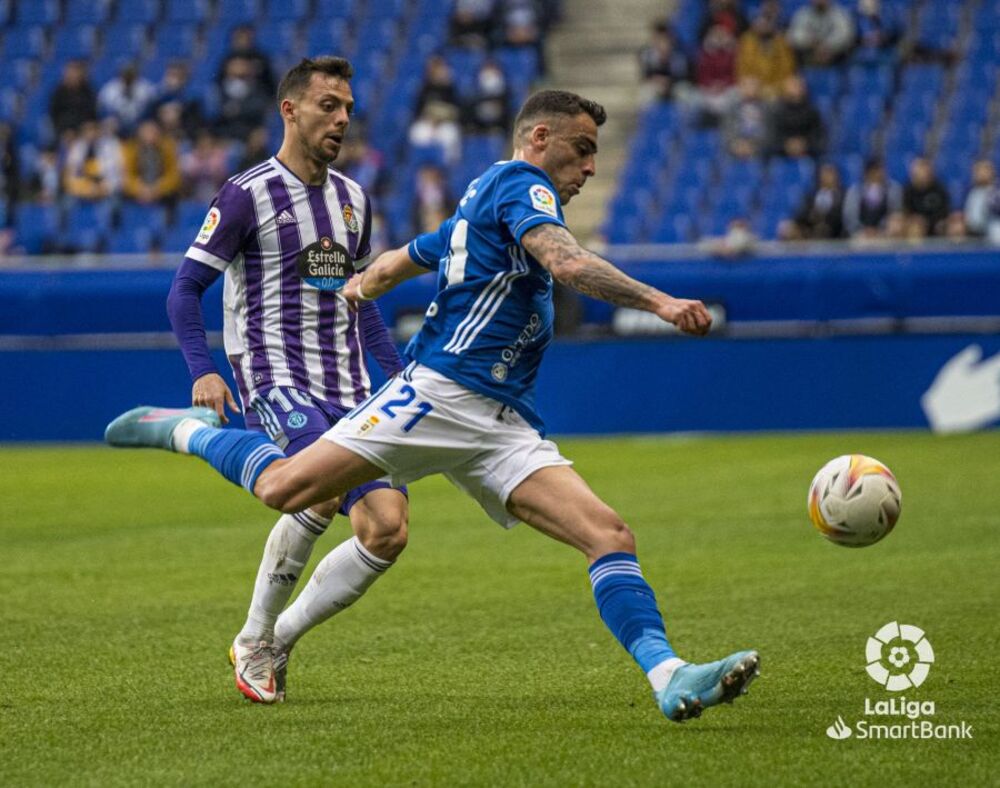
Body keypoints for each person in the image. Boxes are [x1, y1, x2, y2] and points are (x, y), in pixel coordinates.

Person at [107, 89, 760, 723]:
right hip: (442, 395)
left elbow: (410, 255)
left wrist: (367, 283)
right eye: (582, 149)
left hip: (499, 420)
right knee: (288, 488)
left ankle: (669, 675)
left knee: (604, 535)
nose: (590, 167)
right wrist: (662, 303)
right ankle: (188, 433)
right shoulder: (520, 185)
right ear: (539, 138)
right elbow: (563, 263)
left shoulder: (474, 198)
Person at [161, 57, 409, 704]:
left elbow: (363, 298)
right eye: (329, 105)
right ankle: (254, 633)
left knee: (388, 529)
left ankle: (277, 639)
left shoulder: (355, 200)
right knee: (319, 492)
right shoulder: (247, 194)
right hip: (277, 380)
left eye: (348, 108)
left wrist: (401, 377)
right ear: (290, 110)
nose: (342, 118)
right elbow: (185, 290)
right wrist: (203, 370)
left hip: (351, 385)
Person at [788, 0, 855, 66]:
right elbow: (794, 36)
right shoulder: (803, 14)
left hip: (836, 59)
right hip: (807, 57)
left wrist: (826, 46)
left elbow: (845, 35)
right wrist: (811, 42)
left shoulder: (840, 13)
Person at [902, 157, 950, 237]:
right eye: (920, 168)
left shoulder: (939, 189)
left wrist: (928, 221)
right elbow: (906, 210)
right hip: (915, 223)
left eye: (925, 168)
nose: (923, 172)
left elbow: (944, 211)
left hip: (935, 224)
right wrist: (914, 219)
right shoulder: (908, 189)